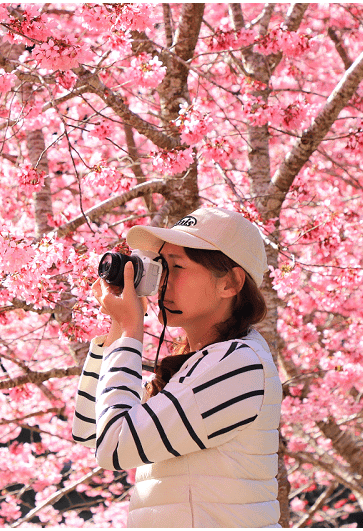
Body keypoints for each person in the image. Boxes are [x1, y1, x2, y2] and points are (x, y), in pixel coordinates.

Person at [72, 207, 282, 528]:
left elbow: (114, 447)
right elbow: (91, 430)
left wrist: (131, 330)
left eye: (178, 266)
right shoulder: (201, 361)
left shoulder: (239, 363)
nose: (162, 281)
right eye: (161, 265)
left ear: (230, 283)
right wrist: (119, 325)